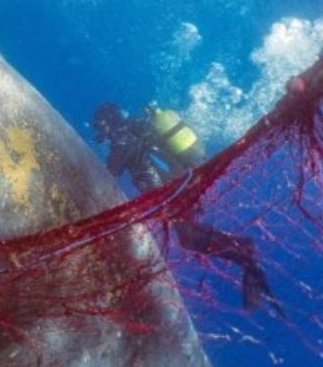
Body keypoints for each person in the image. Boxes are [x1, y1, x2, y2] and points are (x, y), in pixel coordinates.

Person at [92, 102, 284, 316]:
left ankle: (244, 252)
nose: (101, 132)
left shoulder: (123, 138)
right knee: (188, 237)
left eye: (101, 126)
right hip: (186, 184)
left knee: (188, 238)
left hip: (177, 191)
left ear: (109, 122)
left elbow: (110, 171)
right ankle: (244, 254)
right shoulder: (141, 126)